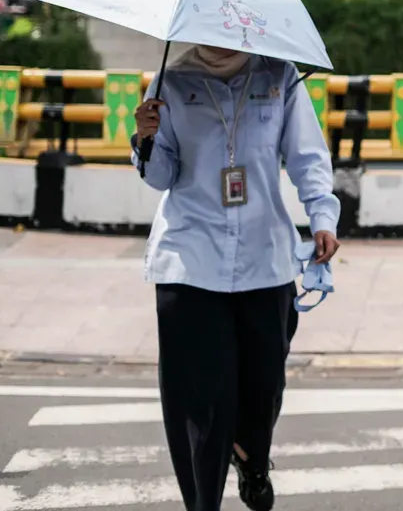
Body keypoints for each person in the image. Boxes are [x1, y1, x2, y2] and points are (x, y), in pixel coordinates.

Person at [132, 44, 342, 511]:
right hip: (190, 257)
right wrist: (144, 138)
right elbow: (161, 175)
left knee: (264, 383)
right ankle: (201, 502)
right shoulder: (171, 79)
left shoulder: (279, 77)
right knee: (199, 399)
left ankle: (251, 455)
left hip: (264, 258)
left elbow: (307, 157)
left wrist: (323, 218)